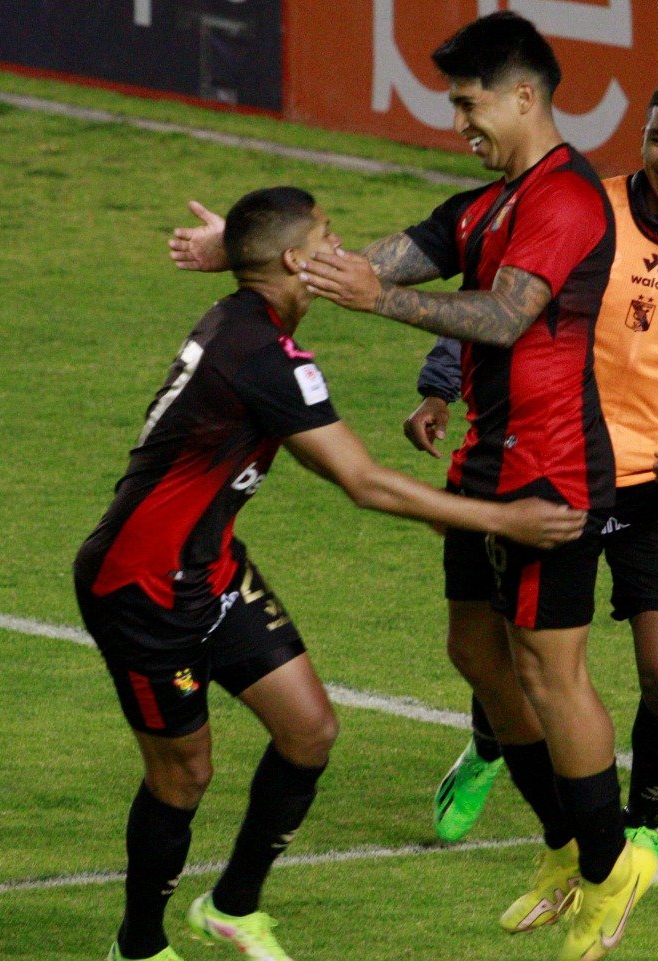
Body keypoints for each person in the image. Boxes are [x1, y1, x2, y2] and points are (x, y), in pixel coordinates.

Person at [171, 12, 658, 961]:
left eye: (469, 103)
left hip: (550, 471)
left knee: (552, 674)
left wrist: (380, 301)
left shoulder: (566, 201)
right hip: (485, 460)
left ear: (524, 94)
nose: (460, 124)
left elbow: (508, 316)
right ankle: (563, 845)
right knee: (476, 652)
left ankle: (611, 867)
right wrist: (239, 245)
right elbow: (357, 260)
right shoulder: (483, 206)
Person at [75, 185, 587, 961]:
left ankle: (232, 907)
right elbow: (365, 483)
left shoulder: (247, 323)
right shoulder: (262, 357)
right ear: (293, 260)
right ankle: (137, 947)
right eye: (327, 235)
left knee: (309, 730)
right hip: (141, 588)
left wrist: (234, 247)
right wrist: (507, 519)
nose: (341, 245)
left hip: (208, 568)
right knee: (185, 776)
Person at [410, 78, 658, 886]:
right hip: (556, 463)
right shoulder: (582, 209)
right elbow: (501, 304)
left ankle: (639, 831)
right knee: (521, 657)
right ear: (641, 138)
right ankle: (491, 742)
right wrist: (439, 385)